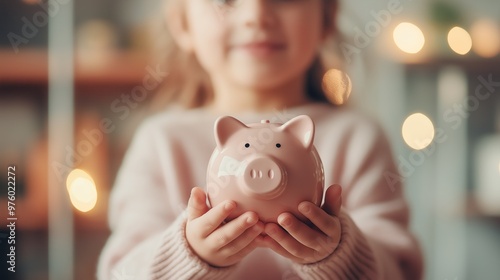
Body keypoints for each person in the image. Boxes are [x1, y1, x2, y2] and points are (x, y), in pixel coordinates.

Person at [97, 0, 423, 279]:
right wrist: (188, 255)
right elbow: (120, 271)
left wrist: (338, 255)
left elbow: (400, 269)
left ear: (326, 16)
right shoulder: (161, 141)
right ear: (182, 22)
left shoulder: (357, 137)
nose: (256, 14)